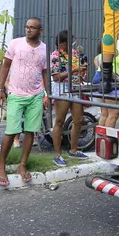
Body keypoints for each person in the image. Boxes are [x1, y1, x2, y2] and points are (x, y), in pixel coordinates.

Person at [0, 18, 49, 187]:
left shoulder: (44, 49)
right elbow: (5, 67)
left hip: (36, 96)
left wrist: (48, 94)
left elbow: (45, 72)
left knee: (31, 131)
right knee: (11, 131)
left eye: (33, 28)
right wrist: (1, 89)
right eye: (27, 27)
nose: (29, 30)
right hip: (16, 94)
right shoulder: (15, 44)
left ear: (40, 30)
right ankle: (1, 167)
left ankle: (22, 165)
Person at [49, 30, 90, 167]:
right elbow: (55, 77)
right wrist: (73, 70)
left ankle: (73, 150)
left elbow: (78, 69)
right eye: (68, 42)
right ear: (62, 43)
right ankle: (57, 154)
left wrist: (82, 69)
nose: (71, 44)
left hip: (76, 87)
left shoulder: (74, 53)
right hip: (62, 89)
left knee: (78, 120)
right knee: (60, 121)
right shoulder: (55, 56)